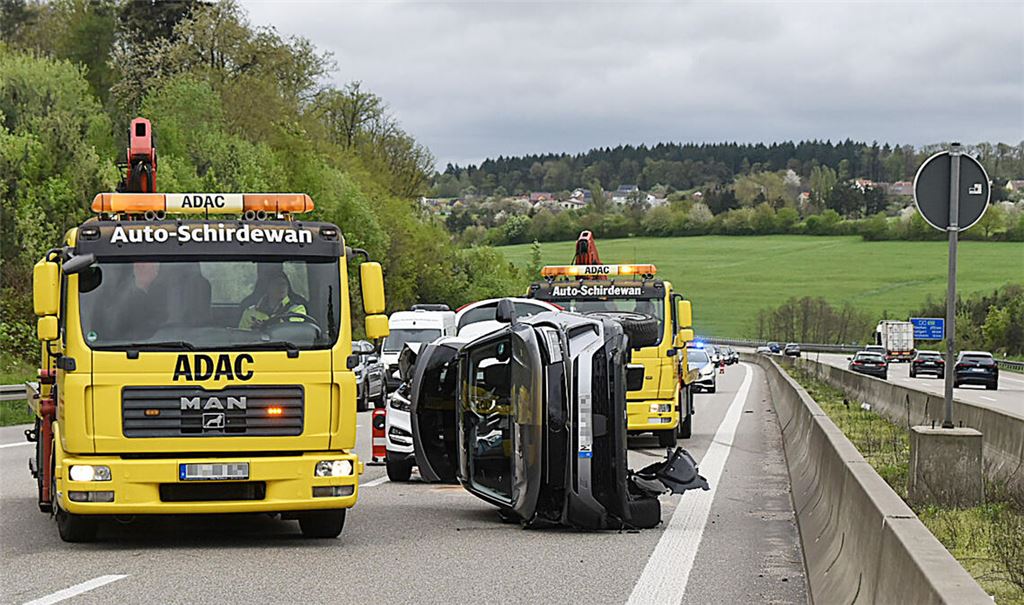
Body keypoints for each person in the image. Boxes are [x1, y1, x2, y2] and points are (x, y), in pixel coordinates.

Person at [239, 273, 307, 330]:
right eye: (276, 284)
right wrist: (254, 331)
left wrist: (266, 326)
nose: (281, 287)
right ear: (267, 287)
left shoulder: (297, 309)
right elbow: (242, 336)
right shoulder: (250, 313)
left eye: (284, 284)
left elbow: (293, 330)